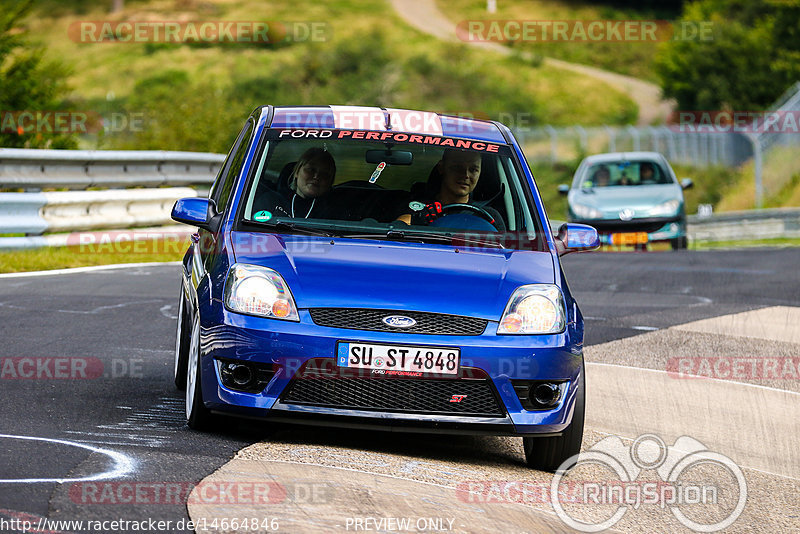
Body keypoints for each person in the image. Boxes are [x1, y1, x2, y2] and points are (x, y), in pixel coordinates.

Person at [397, 148, 506, 231]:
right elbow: (397, 232)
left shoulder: (489, 216)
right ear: (441, 168)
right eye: (457, 168)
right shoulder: (418, 209)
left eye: (473, 170)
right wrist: (416, 220)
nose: (466, 175)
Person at [252, 147, 336, 220]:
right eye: (311, 170)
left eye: (324, 174)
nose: (316, 176)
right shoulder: (270, 201)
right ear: (296, 172)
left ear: (330, 182)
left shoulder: (336, 213)